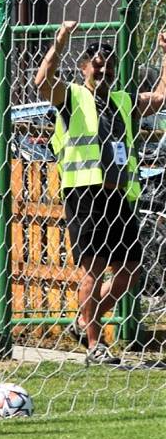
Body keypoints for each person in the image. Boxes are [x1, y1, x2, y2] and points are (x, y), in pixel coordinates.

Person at [35, 21, 166, 364]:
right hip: (85, 195)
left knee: (130, 270)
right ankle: (95, 345)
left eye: (107, 62)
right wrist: (60, 43)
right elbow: (42, 82)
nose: (101, 66)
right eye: (94, 62)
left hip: (120, 197)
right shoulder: (73, 97)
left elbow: (161, 96)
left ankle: (84, 319)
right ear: (83, 68)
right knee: (92, 269)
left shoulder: (122, 100)